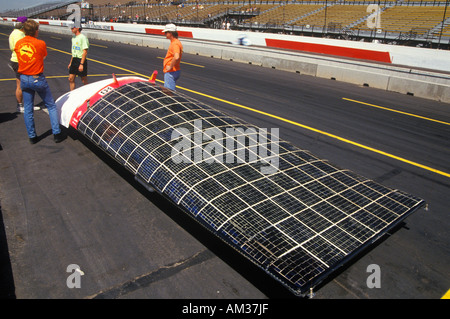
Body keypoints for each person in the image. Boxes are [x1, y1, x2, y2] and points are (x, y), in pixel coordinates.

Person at [14, 19, 63, 144]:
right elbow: (43, 56)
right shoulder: (40, 43)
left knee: (28, 109)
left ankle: (32, 137)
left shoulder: (19, 43)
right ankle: (56, 133)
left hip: (24, 77)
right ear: (35, 31)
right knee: (51, 105)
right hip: (37, 77)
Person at [8, 16, 40, 113]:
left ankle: (22, 105)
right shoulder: (20, 35)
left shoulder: (13, 33)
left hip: (15, 60)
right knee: (25, 84)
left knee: (21, 84)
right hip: (20, 61)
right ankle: (25, 105)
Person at [68, 22, 89, 91]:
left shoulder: (83, 38)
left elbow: (85, 52)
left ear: (77, 28)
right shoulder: (73, 38)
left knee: (83, 79)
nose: (71, 29)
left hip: (81, 60)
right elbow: (74, 52)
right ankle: (72, 94)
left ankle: (87, 94)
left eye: (72, 28)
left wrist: (81, 64)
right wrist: (71, 62)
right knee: (71, 78)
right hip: (74, 59)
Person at [162, 23, 183, 91]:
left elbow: (176, 57)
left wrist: (170, 66)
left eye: (166, 32)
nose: (164, 34)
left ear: (170, 33)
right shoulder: (175, 42)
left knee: (169, 93)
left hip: (171, 72)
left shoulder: (175, 43)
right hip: (174, 70)